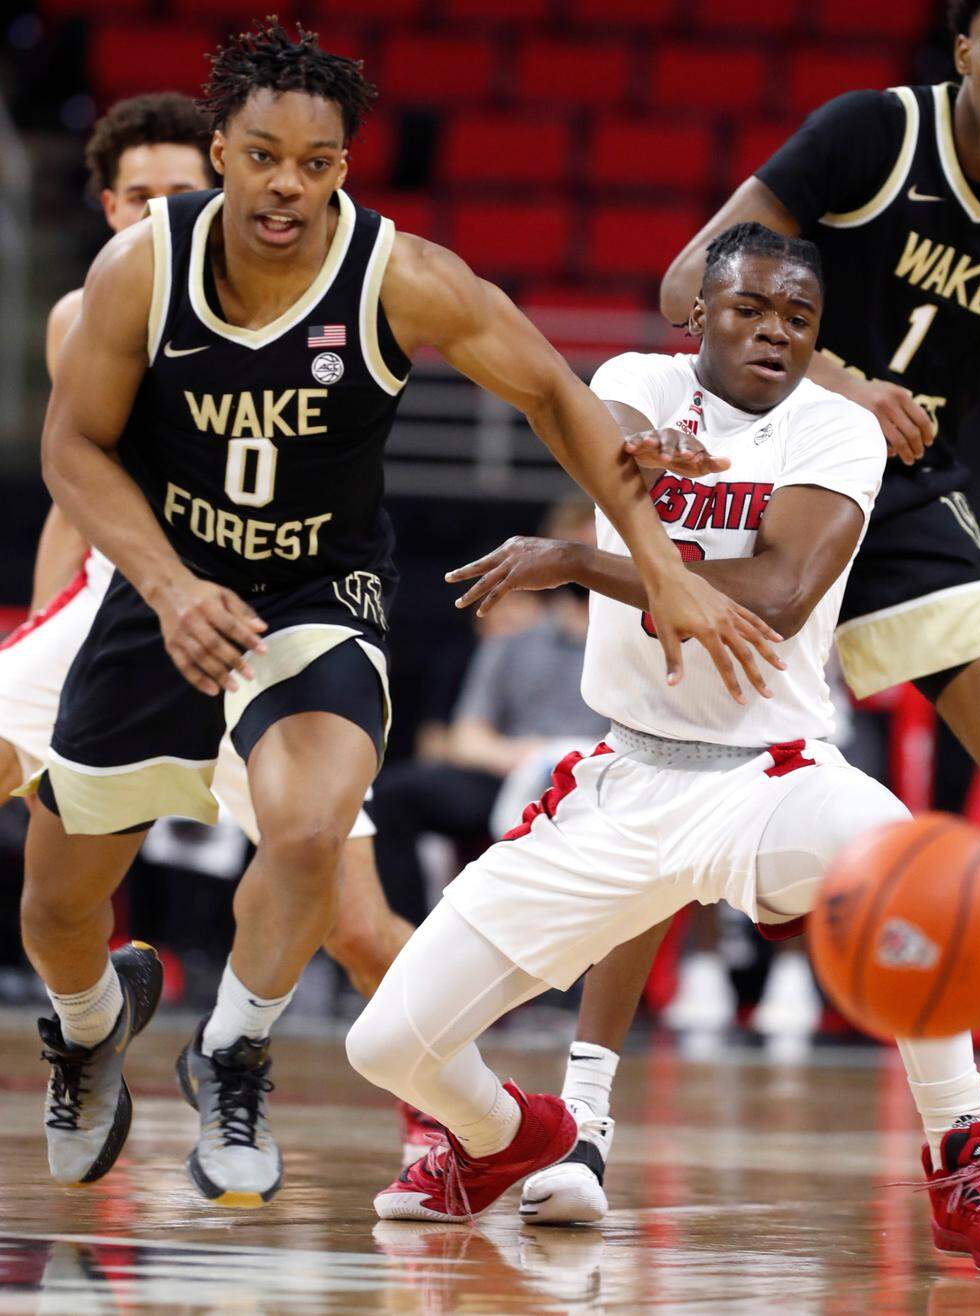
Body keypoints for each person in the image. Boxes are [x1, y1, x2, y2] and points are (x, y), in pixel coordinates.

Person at [19, 19, 773, 1210]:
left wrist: (662, 563)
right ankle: (86, 1021)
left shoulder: (400, 273)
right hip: (168, 586)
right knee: (58, 907)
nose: (287, 186)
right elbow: (71, 448)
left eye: (315, 164)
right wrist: (167, 584)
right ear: (221, 150)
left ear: (343, 168)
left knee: (311, 826)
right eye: (264, 156)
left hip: (318, 592)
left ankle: (236, 1052)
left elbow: (554, 396)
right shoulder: (140, 271)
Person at [345, 224, 980, 1273]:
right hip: (625, 776)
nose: (775, 332)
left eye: (799, 319)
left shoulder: (838, 430)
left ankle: (962, 1164)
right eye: (751, 310)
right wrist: (624, 459)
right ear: (699, 316)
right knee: (385, 1046)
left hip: (770, 780)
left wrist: (577, 560)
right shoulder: (639, 379)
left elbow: (777, 596)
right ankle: (514, 1137)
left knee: (914, 864)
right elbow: (608, 432)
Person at [532, 0, 980, 1244]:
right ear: (963, 50)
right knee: (669, 784)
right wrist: (850, 386)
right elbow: (681, 283)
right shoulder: (870, 135)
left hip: (909, 502)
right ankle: (584, 1114)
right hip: (776, 466)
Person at [0, 89, 429, 1155]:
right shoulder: (94, 308)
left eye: (177, 192)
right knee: (45, 862)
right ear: (106, 207)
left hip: (273, 608)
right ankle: (91, 1020)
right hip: (122, 599)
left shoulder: (307, 286)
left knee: (362, 923)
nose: (157, 211)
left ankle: (446, 1114)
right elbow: (73, 487)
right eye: (136, 195)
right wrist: (44, 630)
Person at [371, 497, 607, 923]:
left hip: (602, 782)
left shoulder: (642, 638)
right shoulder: (514, 638)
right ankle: (404, 943)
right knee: (391, 797)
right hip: (512, 775)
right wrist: (526, 756)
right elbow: (467, 737)